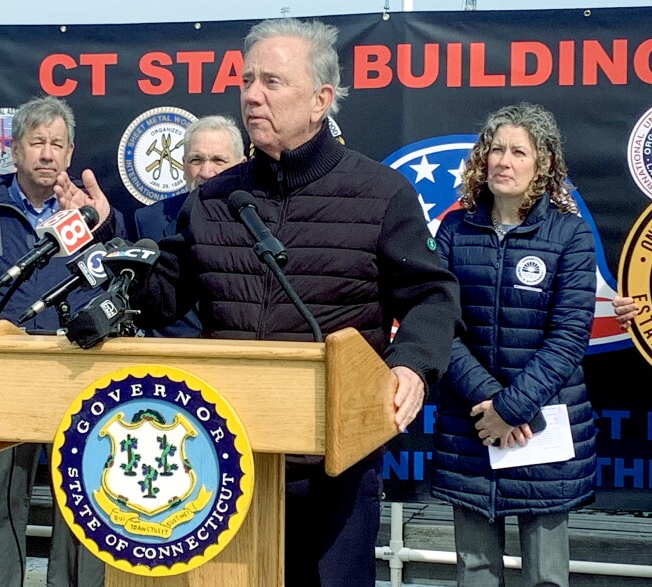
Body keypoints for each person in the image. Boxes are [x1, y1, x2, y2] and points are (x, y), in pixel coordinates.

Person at [117, 18, 461, 586]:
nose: (252, 95)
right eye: (247, 80)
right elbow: (164, 297)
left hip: (335, 464)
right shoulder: (213, 200)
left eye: (272, 82)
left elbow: (431, 295)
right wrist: (116, 267)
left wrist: (412, 365)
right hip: (224, 461)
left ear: (320, 100)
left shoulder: (380, 194)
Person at [0, 96, 123, 587]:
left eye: (57, 144)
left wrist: (99, 226)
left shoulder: (91, 216)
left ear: (70, 153)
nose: (47, 153)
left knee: (84, 502)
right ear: (15, 150)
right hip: (5, 380)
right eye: (37, 142)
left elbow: (118, 285)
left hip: (77, 374)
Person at [429, 102, 598, 587]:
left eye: (518, 152)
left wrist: (512, 408)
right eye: (496, 149)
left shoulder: (569, 234)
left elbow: (569, 337)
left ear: (542, 163)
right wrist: (490, 402)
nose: (504, 161)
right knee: (475, 571)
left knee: (546, 575)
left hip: (540, 426)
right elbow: (440, 323)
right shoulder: (454, 230)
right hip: (472, 424)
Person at [133, 114, 247, 337]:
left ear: (242, 165)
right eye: (196, 160)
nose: (206, 172)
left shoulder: (261, 222)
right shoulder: (149, 220)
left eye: (218, 160)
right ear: (183, 165)